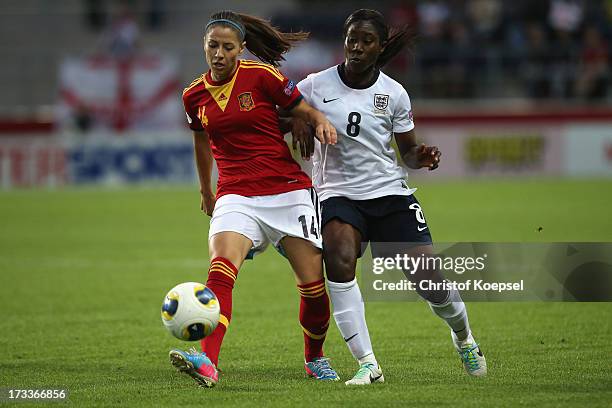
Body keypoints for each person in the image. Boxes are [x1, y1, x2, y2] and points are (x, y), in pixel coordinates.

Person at [291, 9, 487, 385]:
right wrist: (302, 118)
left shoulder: (393, 93)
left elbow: (407, 153)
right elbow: (285, 111)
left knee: (429, 278)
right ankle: (368, 363)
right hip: (336, 193)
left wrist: (422, 157)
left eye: (366, 41)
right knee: (340, 260)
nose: (357, 47)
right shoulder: (315, 86)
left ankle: (463, 336)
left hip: (388, 193)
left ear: (380, 47)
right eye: (352, 39)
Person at [169, 10, 340, 387]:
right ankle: (207, 361)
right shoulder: (193, 94)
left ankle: (315, 357)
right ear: (204, 45)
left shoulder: (262, 76)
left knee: (313, 287)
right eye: (212, 45)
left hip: (287, 191)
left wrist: (319, 121)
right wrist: (206, 188)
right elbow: (200, 139)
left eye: (227, 47)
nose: (219, 53)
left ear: (241, 48)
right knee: (220, 272)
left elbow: (302, 109)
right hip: (235, 194)